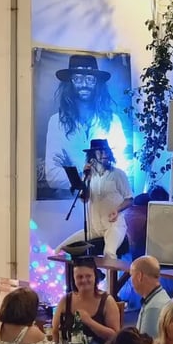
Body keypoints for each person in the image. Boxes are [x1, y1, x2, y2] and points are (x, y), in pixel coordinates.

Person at [44, 54, 128, 190]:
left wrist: (74, 175)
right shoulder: (56, 122)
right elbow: (53, 175)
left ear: (98, 83)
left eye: (90, 79)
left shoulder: (113, 122)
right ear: (69, 83)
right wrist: (91, 176)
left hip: (108, 201)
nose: (84, 84)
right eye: (77, 78)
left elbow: (122, 167)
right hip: (69, 202)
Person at [57, 138, 133, 260]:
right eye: (101, 152)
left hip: (114, 226)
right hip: (94, 227)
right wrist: (85, 178)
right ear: (93, 155)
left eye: (107, 151)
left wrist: (117, 210)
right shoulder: (89, 175)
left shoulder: (118, 174)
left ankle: (110, 279)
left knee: (109, 253)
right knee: (61, 250)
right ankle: (94, 275)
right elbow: (84, 199)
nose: (105, 155)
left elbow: (129, 199)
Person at [132, 255, 172, 339]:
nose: (131, 280)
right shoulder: (158, 297)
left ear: (139, 276)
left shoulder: (153, 308)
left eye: (131, 275)